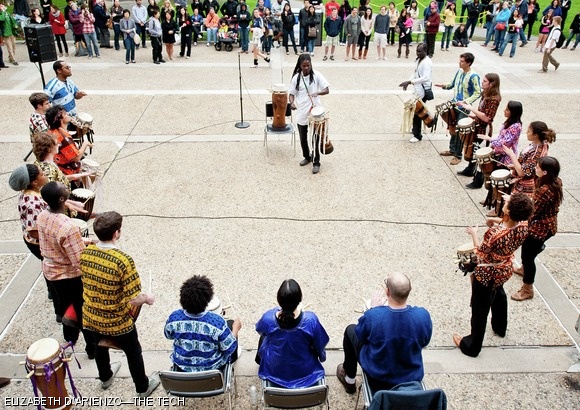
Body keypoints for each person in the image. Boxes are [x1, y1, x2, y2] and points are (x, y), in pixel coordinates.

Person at [81, 211, 159, 397]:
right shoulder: (123, 260)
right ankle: (142, 387)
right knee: (133, 352)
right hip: (118, 322)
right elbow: (133, 298)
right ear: (117, 233)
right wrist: (147, 299)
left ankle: (105, 377)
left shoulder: (86, 253)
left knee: (100, 345)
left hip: (91, 316)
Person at [453, 193, 534, 357]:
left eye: (508, 202)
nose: (506, 201)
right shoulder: (524, 225)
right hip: (504, 268)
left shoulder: (494, 234)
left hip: (487, 273)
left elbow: (480, 252)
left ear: (509, 211)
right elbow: (510, 224)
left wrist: (474, 233)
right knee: (498, 294)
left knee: (479, 308)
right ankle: (499, 327)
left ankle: (472, 346)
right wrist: (497, 220)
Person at [336, 272, 432, 393]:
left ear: (387, 292)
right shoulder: (423, 316)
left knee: (350, 330)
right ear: (410, 290)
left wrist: (372, 310)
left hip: (378, 376)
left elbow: (361, 336)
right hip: (411, 376)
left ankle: (349, 380)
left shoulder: (374, 316)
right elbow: (425, 341)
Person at [37, 181, 96, 358]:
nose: (67, 187)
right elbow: (79, 261)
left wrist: (82, 241)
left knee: (65, 306)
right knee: (82, 309)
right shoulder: (68, 226)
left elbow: (54, 241)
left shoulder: (42, 216)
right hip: (68, 276)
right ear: (62, 199)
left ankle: (69, 337)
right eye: (65, 189)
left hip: (50, 271)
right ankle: (92, 348)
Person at [255, 279, 329, 388]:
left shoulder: (268, 318)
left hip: (274, 371)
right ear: (300, 299)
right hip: (306, 372)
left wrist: (275, 310)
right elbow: (321, 342)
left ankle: (260, 362)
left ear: (279, 300)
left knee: (264, 339)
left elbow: (259, 329)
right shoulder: (310, 319)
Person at [511, 156, 563, 301]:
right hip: (545, 224)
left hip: (540, 228)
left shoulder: (546, 190)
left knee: (528, 257)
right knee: (527, 253)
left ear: (545, 172)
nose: (536, 168)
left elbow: (533, 211)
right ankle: (524, 269)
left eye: (538, 167)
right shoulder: (554, 182)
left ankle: (527, 289)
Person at [165, 275, 242, 371]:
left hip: (182, 368)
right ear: (208, 300)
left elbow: (168, 335)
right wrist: (236, 328)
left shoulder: (174, 318)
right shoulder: (217, 322)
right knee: (231, 324)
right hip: (212, 370)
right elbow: (229, 348)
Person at [435, 53, 481, 166]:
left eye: (462, 61)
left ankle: (458, 155)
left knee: (460, 131)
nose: (459, 62)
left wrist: (466, 102)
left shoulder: (473, 76)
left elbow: (478, 92)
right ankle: (452, 149)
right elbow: (452, 84)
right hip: (454, 104)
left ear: (468, 63)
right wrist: (444, 85)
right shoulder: (459, 71)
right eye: (459, 60)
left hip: (463, 108)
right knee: (452, 126)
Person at [478, 100, 524, 216]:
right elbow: (500, 137)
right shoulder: (508, 122)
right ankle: (491, 199)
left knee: (501, 184)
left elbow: (506, 142)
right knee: (494, 179)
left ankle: (498, 208)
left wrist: (490, 140)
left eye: (507, 109)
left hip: (507, 157)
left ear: (513, 112)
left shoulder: (516, 126)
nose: (504, 110)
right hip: (499, 154)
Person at [457, 73, 502, 188]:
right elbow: (481, 112)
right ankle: (470, 169)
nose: (482, 82)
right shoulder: (485, 94)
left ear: (492, 84)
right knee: (473, 149)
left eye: (485, 81)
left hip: (484, 129)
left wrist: (471, 108)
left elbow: (487, 118)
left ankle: (478, 180)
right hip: (478, 125)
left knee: (480, 153)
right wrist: (474, 116)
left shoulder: (494, 99)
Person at [289, 53, 329, 175]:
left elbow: (327, 89)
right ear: (300, 66)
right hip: (301, 112)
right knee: (302, 139)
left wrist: (318, 93)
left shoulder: (317, 75)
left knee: (315, 139)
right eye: (304, 66)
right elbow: (291, 94)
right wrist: (292, 103)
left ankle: (316, 162)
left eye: (308, 65)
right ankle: (307, 157)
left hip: (315, 112)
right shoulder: (296, 78)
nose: (306, 68)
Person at [503, 121, 555, 197]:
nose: (526, 132)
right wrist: (515, 166)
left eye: (529, 131)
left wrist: (512, 155)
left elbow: (522, 172)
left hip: (526, 186)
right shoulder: (542, 143)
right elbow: (528, 165)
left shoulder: (536, 153)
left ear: (535, 135)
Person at [46, 105, 93, 182]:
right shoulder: (64, 139)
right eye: (65, 114)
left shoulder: (52, 130)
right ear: (61, 120)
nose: (68, 114)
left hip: (57, 166)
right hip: (67, 172)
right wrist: (85, 143)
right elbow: (76, 158)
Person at [399, 43, 433, 143]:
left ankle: (417, 135)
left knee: (418, 113)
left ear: (425, 51)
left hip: (423, 91)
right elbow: (416, 73)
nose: (418, 53)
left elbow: (426, 78)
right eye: (417, 51)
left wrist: (410, 82)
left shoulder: (427, 63)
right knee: (416, 111)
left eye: (420, 51)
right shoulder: (420, 60)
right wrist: (409, 81)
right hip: (417, 90)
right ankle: (415, 130)